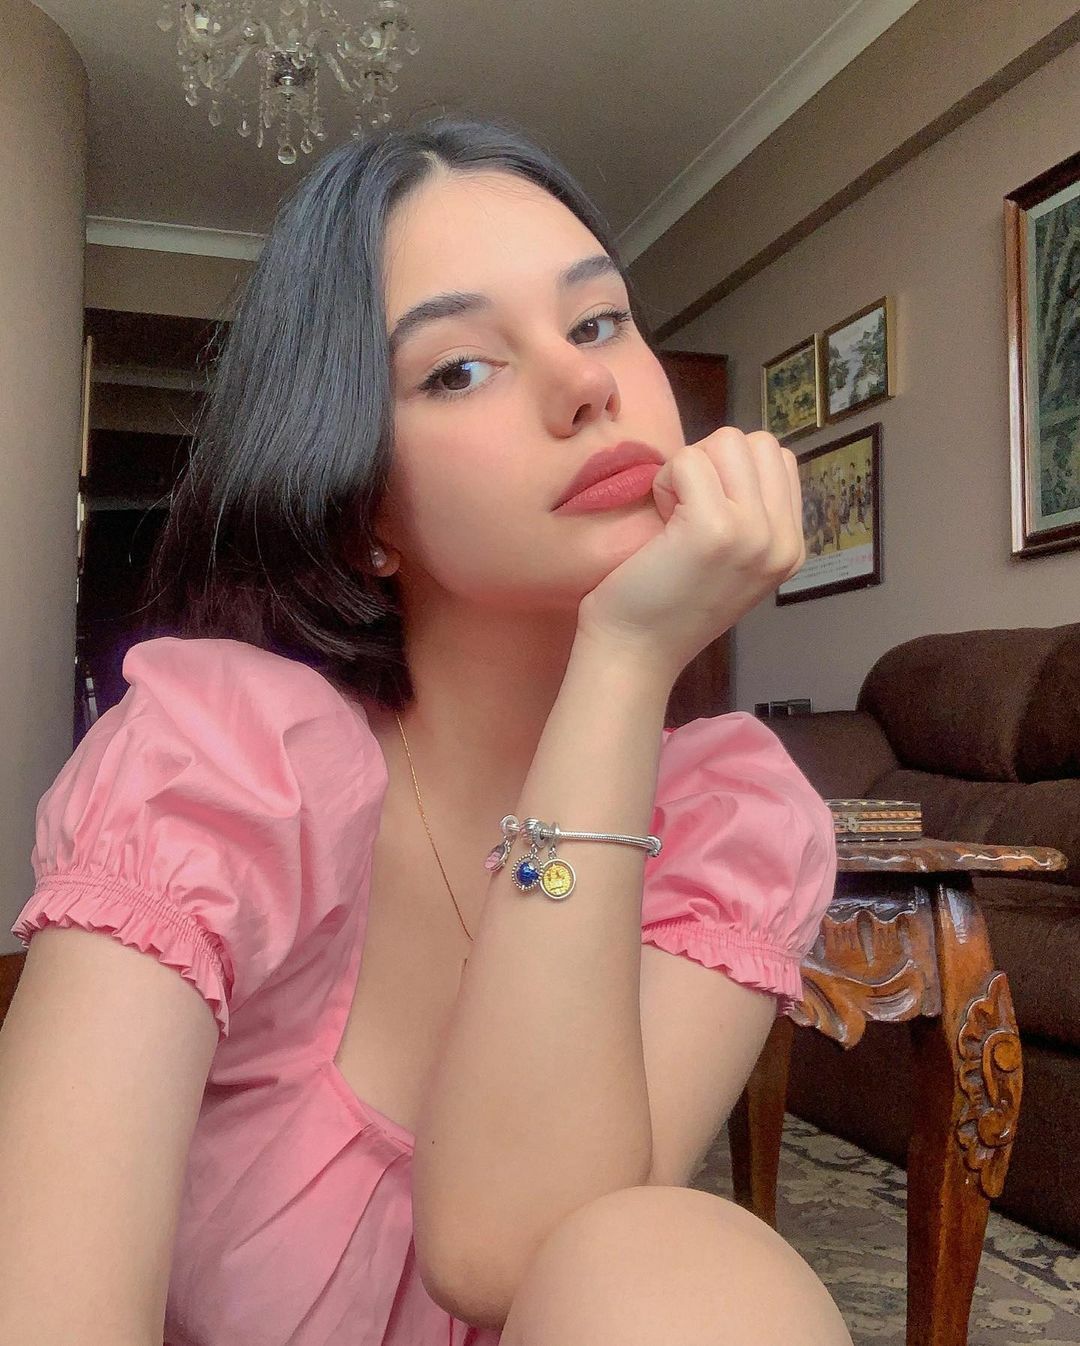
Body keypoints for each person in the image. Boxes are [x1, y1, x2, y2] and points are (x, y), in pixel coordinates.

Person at [0, 117, 850, 1346]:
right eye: (458, 369)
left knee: (682, 1266)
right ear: (363, 516)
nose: (585, 384)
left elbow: (503, 1245)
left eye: (598, 321)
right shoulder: (221, 764)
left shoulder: (733, 820)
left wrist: (622, 662)